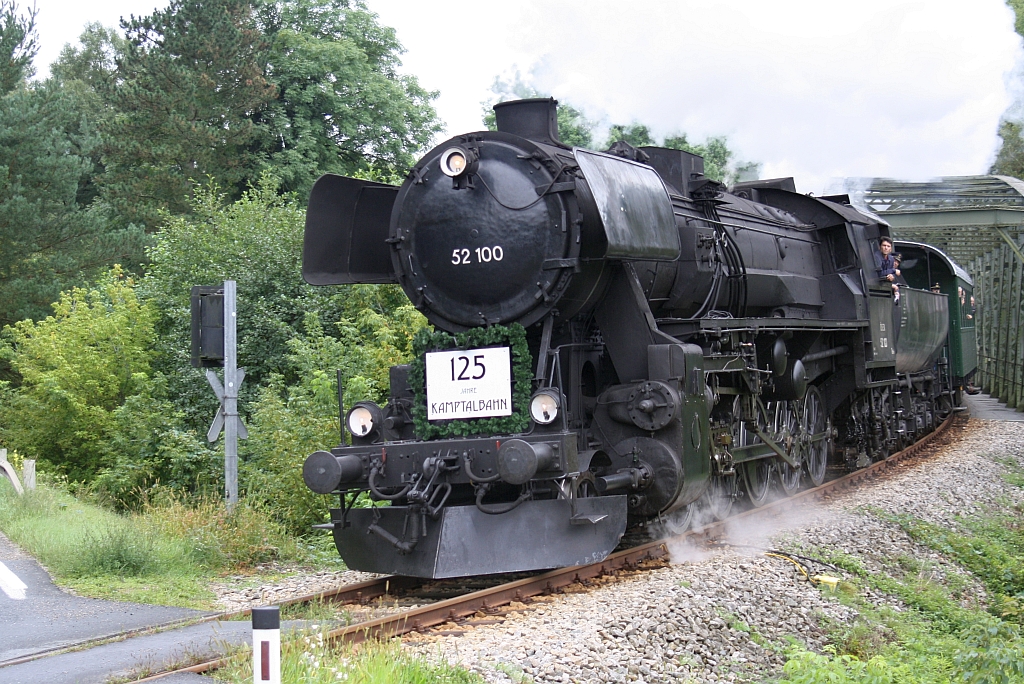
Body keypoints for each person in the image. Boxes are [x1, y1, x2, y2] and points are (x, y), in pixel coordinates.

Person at [876, 237, 901, 303]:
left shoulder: (891, 259)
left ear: (890, 249)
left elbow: (892, 274)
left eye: (888, 246)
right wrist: (894, 271)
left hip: (886, 283)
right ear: (879, 247)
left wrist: (891, 276)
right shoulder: (876, 257)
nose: (886, 248)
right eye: (884, 245)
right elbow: (879, 273)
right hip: (876, 283)